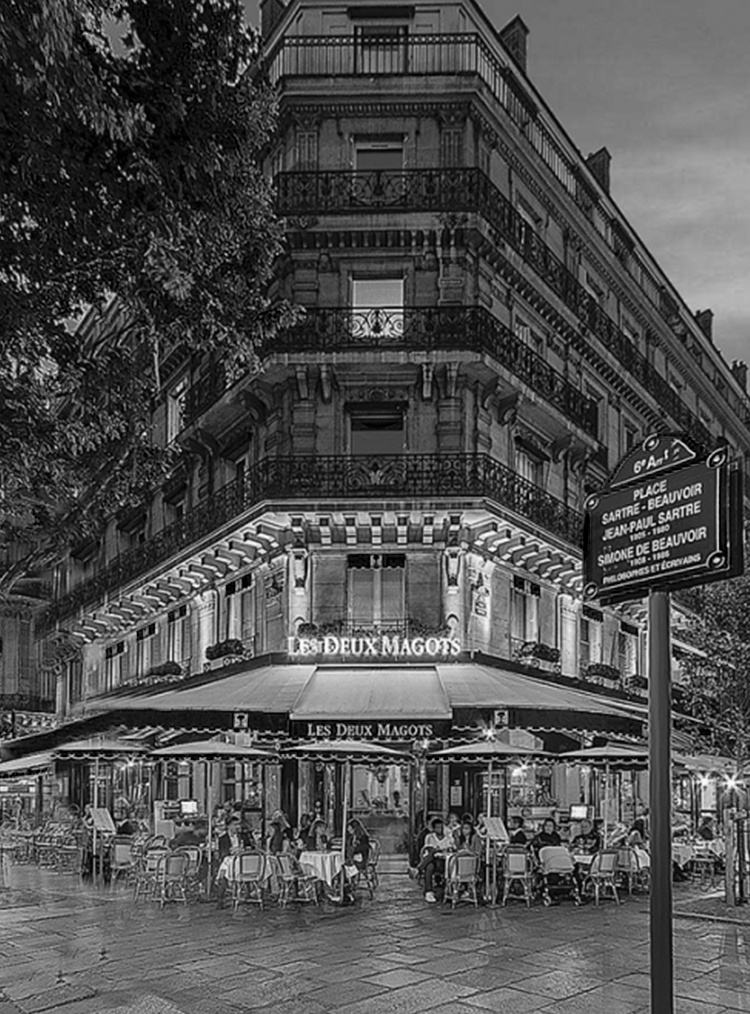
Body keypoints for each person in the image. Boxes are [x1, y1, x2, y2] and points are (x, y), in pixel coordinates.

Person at [410, 816, 455, 903]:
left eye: (441, 827)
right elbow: (427, 849)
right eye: (437, 827)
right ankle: (429, 892)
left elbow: (450, 848)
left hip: (444, 862)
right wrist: (435, 850)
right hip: (432, 861)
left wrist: (440, 850)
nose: (440, 829)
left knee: (433, 854)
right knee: (429, 866)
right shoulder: (429, 837)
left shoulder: (448, 838)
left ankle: (418, 869)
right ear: (434, 828)